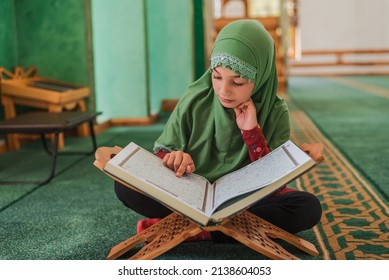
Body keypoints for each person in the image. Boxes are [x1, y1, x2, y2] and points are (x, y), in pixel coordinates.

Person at [114, 19, 322, 241]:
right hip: (188, 197)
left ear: (260, 78)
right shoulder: (195, 99)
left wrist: (251, 131)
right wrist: (174, 158)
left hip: (245, 202)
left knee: (307, 207)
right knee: (124, 185)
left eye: (238, 82)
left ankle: (192, 231)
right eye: (217, 76)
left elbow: (273, 184)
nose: (224, 91)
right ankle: (224, 230)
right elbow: (163, 155)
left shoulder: (275, 111)